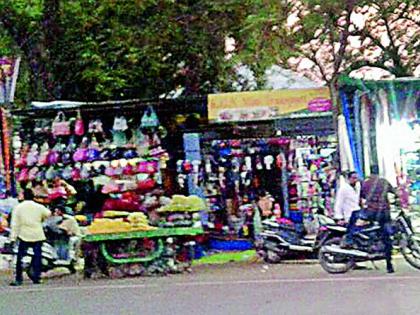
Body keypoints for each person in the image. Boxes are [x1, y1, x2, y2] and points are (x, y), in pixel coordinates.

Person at [9, 189, 51, 286]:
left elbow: (15, 224)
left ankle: (19, 279)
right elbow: (48, 213)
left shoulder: (18, 207)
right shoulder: (39, 207)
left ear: (23, 196)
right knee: (37, 257)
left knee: (20, 257)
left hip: (24, 235)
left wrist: (12, 238)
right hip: (37, 234)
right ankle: (37, 277)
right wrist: (40, 219)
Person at [359, 173, 397, 273]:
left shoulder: (366, 184)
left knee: (367, 228)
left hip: (371, 213)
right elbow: (394, 192)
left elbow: (362, 196)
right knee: (387, 237)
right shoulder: (384, 182)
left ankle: (371, 244)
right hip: (384, 212)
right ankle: (389, 264)